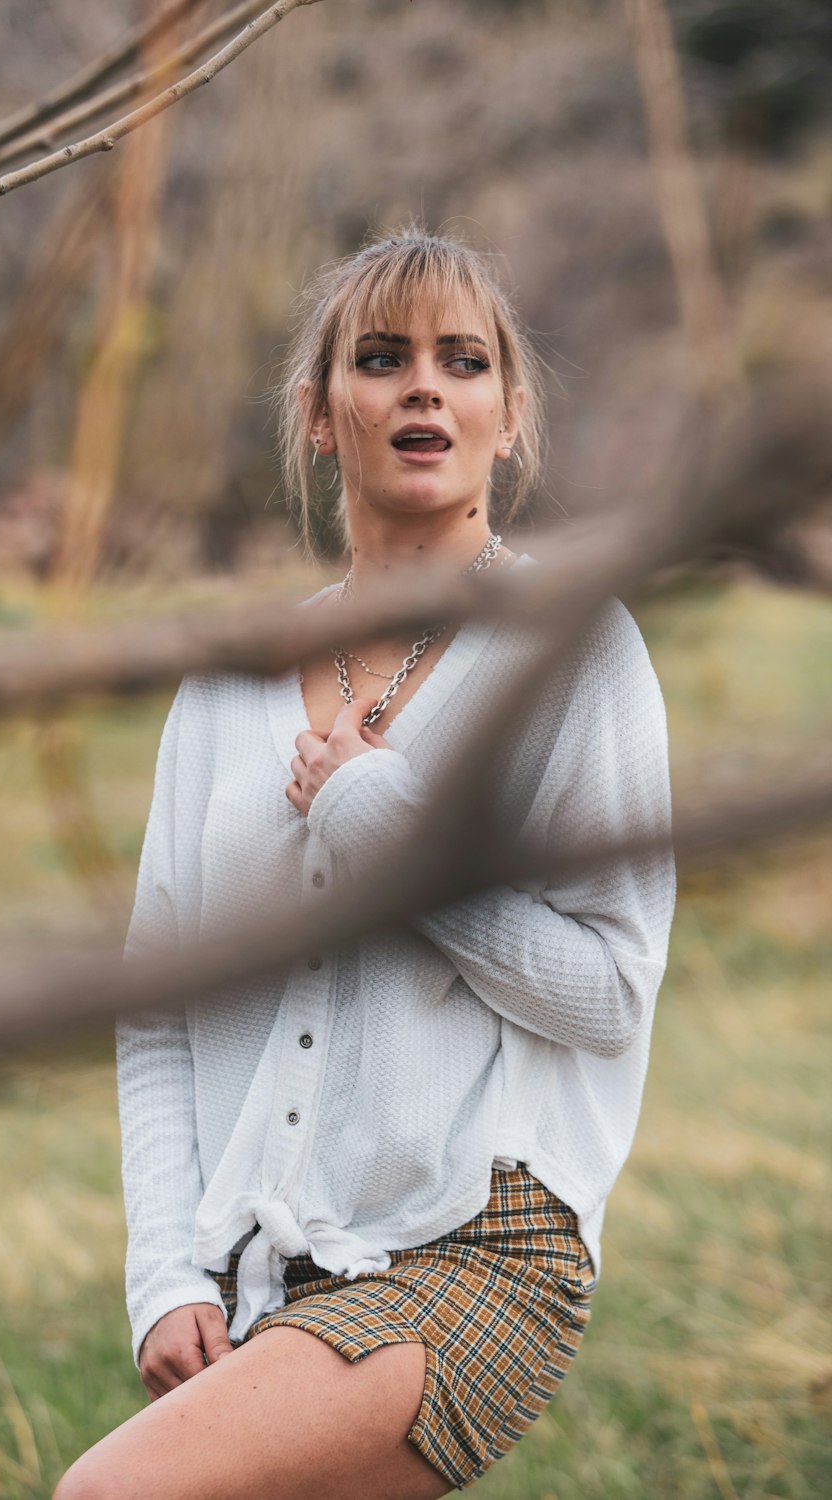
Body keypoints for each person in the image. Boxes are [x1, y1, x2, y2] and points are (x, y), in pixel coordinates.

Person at [54, 230, 676, 1500]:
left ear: (509, 417)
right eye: (381, 359)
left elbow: (609, 991)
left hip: (474, 1245)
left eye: (462, 362)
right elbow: (161, 1012)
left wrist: (379, 816)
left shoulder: (573, 651)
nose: (422, 389)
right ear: (320, 415)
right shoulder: (225, 688)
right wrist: (164, 1271)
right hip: (260, 1274)